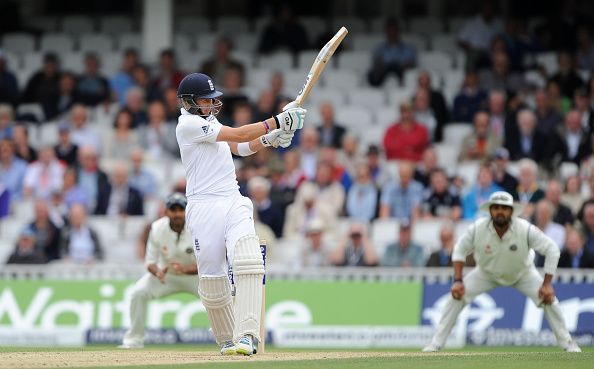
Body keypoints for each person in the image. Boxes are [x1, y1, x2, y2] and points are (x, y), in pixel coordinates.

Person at [175, 72, 305, 355]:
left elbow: (238, 147)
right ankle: (226, 338)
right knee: (212, 279)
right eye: (205, 100)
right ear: (189, 102)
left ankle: (247, 336)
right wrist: (277, 121)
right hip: (203, 206)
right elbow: (236, 134)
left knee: (248, 259)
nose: (211, 104)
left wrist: (270, 139)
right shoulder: (187, 125)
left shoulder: (209, 121)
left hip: (232, 199)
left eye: (212, 99)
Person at [422, 191, 581, 353]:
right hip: (485, 274)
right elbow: (459, 250)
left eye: (504, 208)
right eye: (496, 207)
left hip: (522, 273)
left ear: (511, 211)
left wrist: (547, 284)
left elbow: (552, 250)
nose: (500, 211)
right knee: (456, 296)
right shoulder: (477, 229)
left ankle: (568, 344)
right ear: (490, 210)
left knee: (549, 300)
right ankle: (436, 344)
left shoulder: (525, 229)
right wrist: (457, 280)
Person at [120, 193, 199, 349]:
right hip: (166, 276)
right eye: (173, 210)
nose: (177, 214)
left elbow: (205, 264)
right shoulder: (157, 228)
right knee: (138, 292)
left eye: (180, 210)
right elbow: (150, 261)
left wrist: (184, 269)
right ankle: (134, 341)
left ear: (187, 212)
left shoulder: (197, 227)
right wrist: (157, 272)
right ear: (166, 212)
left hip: (194, 276)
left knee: (219, 295)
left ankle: (228, 340)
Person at [368, 17, 416, 86]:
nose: (392, 33)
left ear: (398, 31)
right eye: (390, 30)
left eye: (394, 30)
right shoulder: (379, 49)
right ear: (386, 32)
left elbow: (410, 64)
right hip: (384, 74)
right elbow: (377, 63)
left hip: (401, 73)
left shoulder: (408, 49)